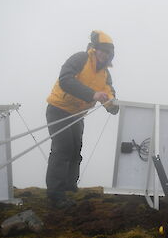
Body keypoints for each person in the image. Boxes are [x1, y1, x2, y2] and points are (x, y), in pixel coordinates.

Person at [45, 30, 119, 208]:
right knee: (62, 149)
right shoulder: (80, 59)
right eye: (101, 50)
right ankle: (56, 194)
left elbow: (109, 93)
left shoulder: (105, 74)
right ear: (94, 49)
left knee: (75, 149)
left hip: (77, 115)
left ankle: (70, 185)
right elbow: (65, 80)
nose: (103, 54)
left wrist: (112, 106)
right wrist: (92, 94)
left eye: (107, 52)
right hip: (58, 109)